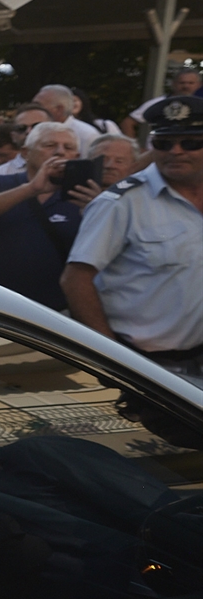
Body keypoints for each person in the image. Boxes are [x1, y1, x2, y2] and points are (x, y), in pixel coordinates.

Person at [63, 95, 203, 387]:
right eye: (163, 143)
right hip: (144, 365)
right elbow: (76, 279)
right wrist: (113, 357)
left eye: (189, 142)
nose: (176, 151)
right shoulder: (121, 202)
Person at [0, 121, 83, 309]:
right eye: (50, 145)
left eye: (68, 147)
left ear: (77, 157)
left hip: (50, 309)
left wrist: (91, 208)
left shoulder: (82, 196)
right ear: (25, 153)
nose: (60, 152)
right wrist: (30, 189)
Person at [125, 64, 201, 139]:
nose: (186, 86)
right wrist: (135, 147)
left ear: (199, 85)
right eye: (182, 83)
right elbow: (128, 123)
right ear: (174, 84)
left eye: (191, 83)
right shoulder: (158, 103)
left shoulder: (201, 105)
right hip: (158, 149)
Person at [33, 83, 103, 152]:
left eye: (39, 106)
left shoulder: (86, 136)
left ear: (59, 109)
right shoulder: (32, 130)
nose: (34, 109)